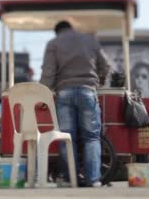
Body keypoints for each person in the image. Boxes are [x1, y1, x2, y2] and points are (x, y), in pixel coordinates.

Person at [40, 21, 110, 187]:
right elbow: (105, 65)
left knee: (67, 138)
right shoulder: (90, 40)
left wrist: (43, 93)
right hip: (88, 91)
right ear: (72, 28)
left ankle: (70, 178)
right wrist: (98, 81)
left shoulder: (53, 43)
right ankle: (93, 180)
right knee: (91, 137)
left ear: (57, 32)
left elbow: (48, 72)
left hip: (64, 93)